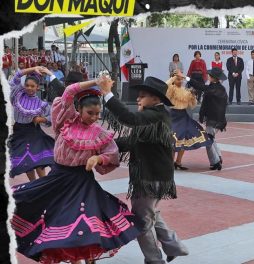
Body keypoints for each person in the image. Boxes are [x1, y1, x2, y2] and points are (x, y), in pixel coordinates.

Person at [11, 75, 143, 264]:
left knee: (86, 223)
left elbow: (112, 153)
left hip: (83, 183)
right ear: (79, 109)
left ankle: (88, 260)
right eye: (90, 113)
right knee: (53, 218)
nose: (95, 118)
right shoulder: (64, 122)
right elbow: (68, 92)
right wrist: (96, 82)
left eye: (98, 114)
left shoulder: (99, 132)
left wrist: (98, 157)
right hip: (58, 179)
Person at [101, 75, 188, 264]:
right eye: (138, 96)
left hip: (151, 177)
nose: (138, 99)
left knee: (142, 220)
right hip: (155, 176)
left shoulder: (154, 115)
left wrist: (107, 93)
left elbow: (128, 118)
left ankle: (154, 260)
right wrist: (102, 145)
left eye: (142, 96)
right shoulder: (155, 116)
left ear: (155, 99)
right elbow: (133, 141)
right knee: (150, 212)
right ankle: (174, 246)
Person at [8, 66, 55, 181]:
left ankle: (43, 185)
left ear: (37, 87)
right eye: (27, 85)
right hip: (19, 131)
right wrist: (34, 68)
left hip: (33, 132)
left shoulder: (40, 103)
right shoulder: (16, 95)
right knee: (27, 163)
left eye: (32, 86)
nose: (29, 88)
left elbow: (52, 117)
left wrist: (42, 119)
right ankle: (33, 185)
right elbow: (17, 76)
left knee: (38, 161)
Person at [180, 67, 228, 170]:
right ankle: (218, 157)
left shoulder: (214, 88)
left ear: (214, 78)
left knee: (208, 140)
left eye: (210, 75)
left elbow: (200, 86)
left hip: (214, 119)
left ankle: (215, 162)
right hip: (217, 119)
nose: (208, 76)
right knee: (211, 138)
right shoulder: (218, 88)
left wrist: (186, 77)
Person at [166, 70, 212, 170]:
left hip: (183, 115)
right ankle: (169, 162)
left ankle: (178, 162)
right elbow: (166, 86)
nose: (181, 81)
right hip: (173, 116)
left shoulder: (185, 90)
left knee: (184, 139)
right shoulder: (171, 88)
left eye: (181, 79)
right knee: (174, 139)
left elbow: (192, 106)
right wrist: (174, 77)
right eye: (178, 79)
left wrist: (193, 96)